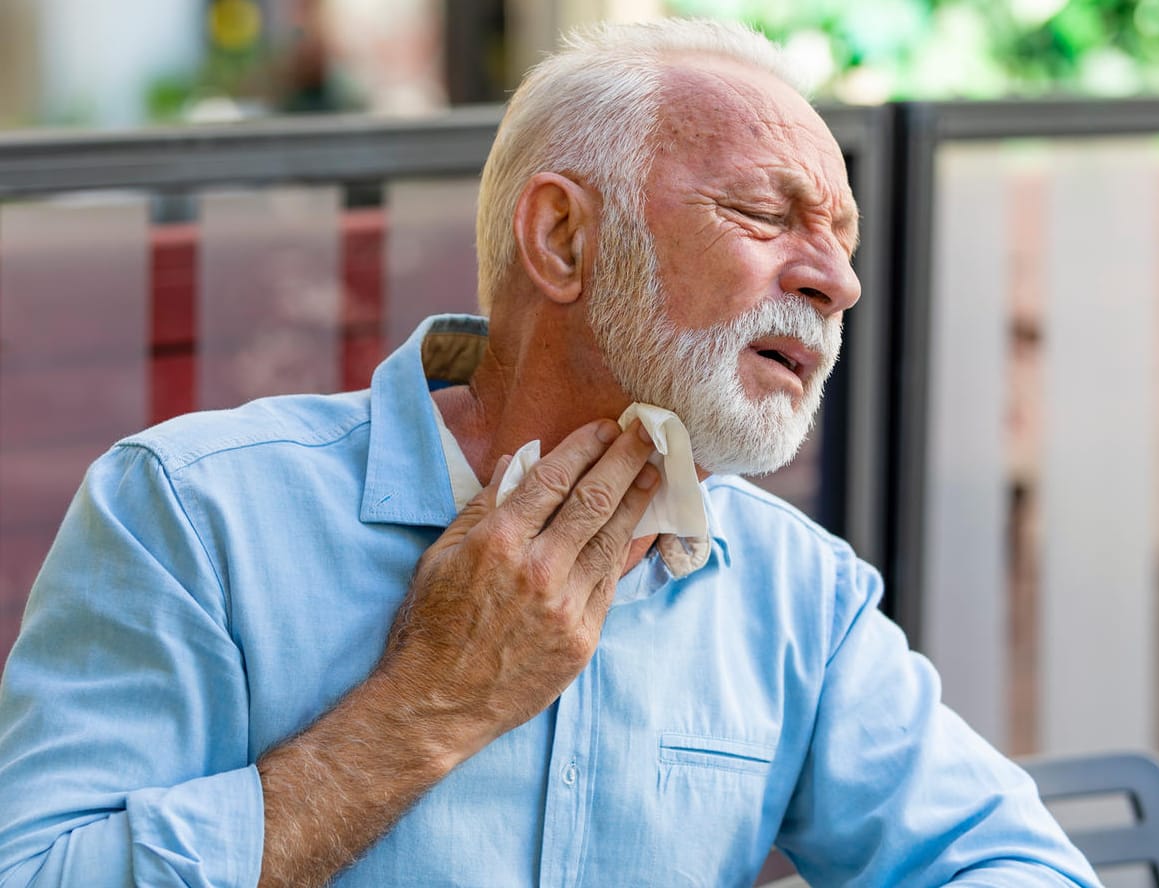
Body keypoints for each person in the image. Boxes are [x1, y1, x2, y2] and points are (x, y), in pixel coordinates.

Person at [0, 18, 1099, 888]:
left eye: (844, 243)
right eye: (766, 214)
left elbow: (1014, 865)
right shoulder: (195, 514)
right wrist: (428, 707)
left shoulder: (797, 596)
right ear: (564, 239)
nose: (835, 281)